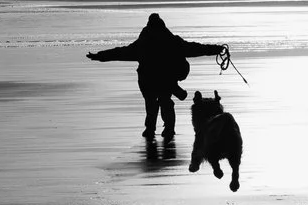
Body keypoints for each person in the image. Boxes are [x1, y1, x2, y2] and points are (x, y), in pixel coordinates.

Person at [87, 13, 226, 141]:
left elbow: (120, 52)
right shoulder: (172, 41)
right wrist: (216, 49)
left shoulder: (143, 43)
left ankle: (151, 129)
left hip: (148, 81)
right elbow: (196, 48)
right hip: (166, 80)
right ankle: (168, 128)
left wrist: (100, 56)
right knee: (165, 102)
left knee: (151, 104)